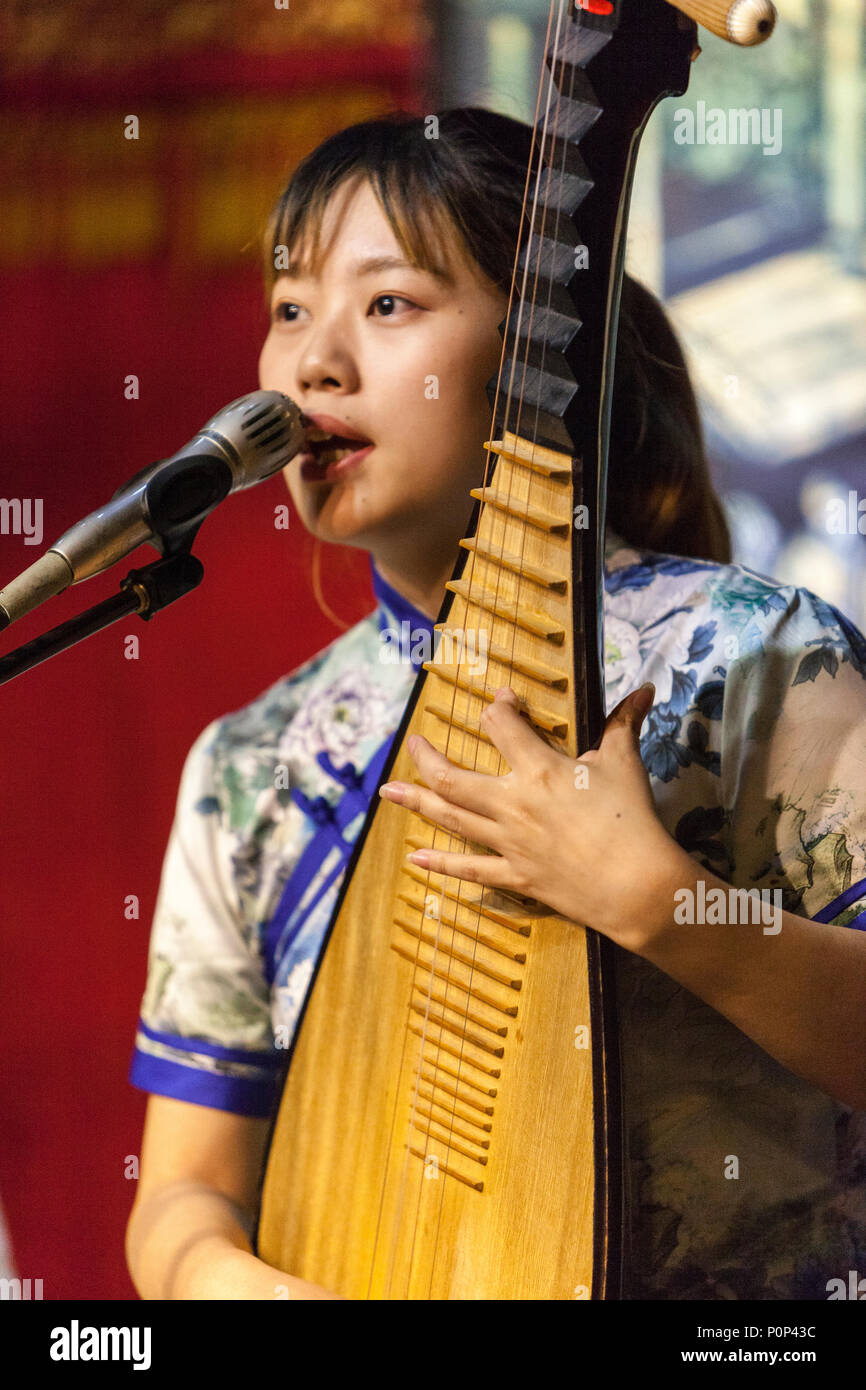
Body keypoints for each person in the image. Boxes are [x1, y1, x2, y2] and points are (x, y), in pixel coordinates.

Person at [124, 108, 866, 1301]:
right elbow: (183, 1188)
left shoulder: (754, 656)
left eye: (387, 303)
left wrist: (659, 905)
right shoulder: (255, 763)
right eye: (289, 309)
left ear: (538, 355)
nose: (312, 362)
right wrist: (223, 1281)